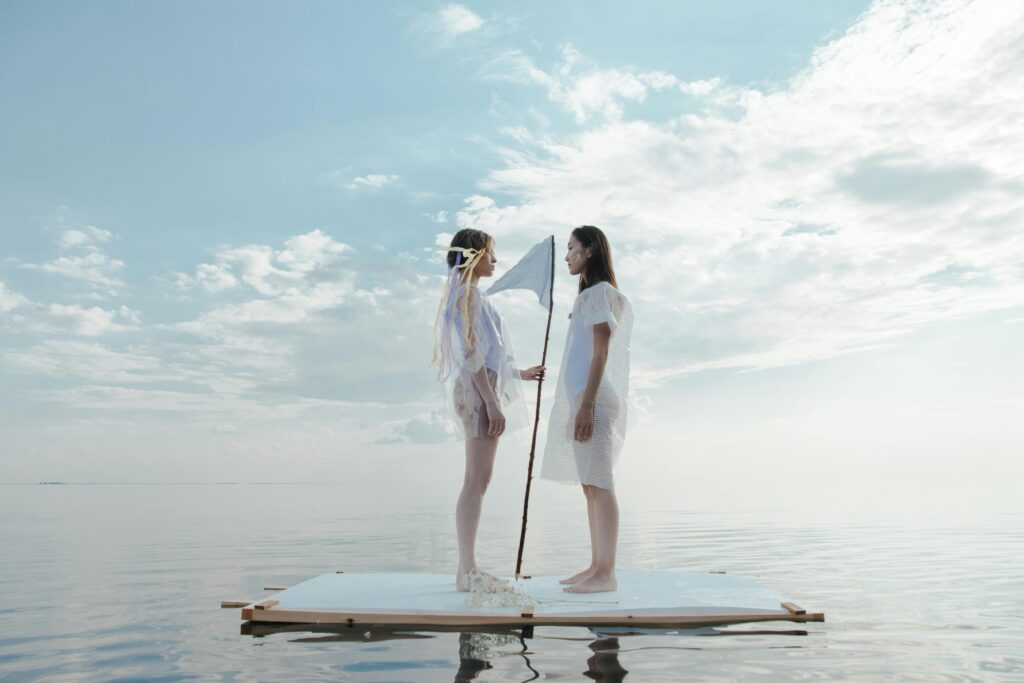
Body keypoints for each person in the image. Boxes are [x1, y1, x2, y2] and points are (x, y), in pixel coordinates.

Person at [432, 229, 545, 591]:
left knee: (477, 479)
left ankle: (467, 568)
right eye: (491, 253)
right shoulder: (467, 295)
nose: (495, 260)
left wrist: (520, 373)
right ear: (474, 255)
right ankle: (467, 570)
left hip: (478, 390)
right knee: (476, 480)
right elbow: (471, 354)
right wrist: (493, 402)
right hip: (479, 394)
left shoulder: (466, 295)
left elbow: (487, 354)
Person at [540, 226, 633, 593]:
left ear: (590, 250)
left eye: (571, 248)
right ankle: (597, 566)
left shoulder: (598, 294)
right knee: (590, 487)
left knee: (601, 484)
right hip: (586, 399)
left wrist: (586, 405)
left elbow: (601, 352)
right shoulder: (591, 296)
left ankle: (606, 574)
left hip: (592, 400)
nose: (566, 256)